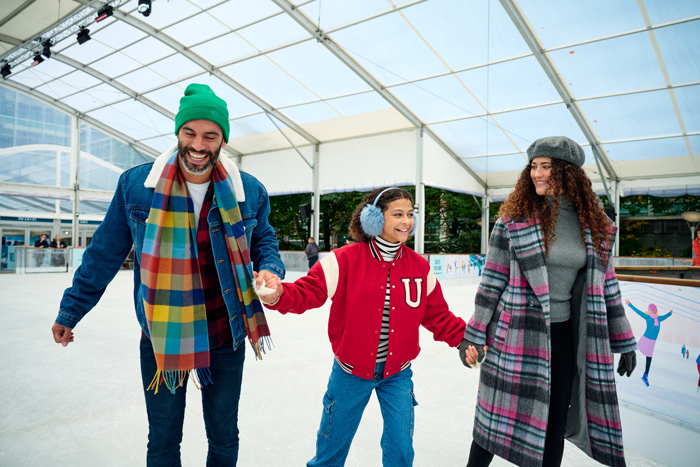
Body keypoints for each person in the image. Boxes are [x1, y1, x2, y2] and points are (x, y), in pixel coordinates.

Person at [50, 83, 285, 466]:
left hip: (226, 332)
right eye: (189, 133)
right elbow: (104, 253)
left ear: (223, 140)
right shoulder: (137, 187)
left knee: (224, 436)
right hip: (162, 333)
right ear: (177, 133)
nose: (198, 144)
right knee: (162, 439)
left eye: (210, 136)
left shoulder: (249, 191)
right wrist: (70, 311)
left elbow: (264, 239)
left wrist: (271, 270)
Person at [260, 186, 479, 467]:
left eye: (410, 215)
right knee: (330, 451)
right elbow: (306, 293)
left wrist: (464, 340)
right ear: (374, 219)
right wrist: (276, 294)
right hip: (350, 374)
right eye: (397, 214)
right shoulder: (344, 260)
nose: (406, 221)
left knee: (401, 451)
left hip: (397, 375)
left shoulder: (419, 267)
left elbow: (437, 315)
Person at [460, 136, 638, 467]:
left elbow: (606, 286)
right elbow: (492, 282)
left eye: (546, 167)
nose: (537, 174)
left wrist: (624, 339)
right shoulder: (513, 221)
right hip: (516, 335)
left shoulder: (597, 228)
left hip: (565, 335)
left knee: (554, 426)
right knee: (492, 423)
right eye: (533, 167)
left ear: (568, 172)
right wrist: (474, 333)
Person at [625, 300, 672, 387]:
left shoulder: (658, 318)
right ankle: (627, 361)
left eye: (656, 310)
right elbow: (638, 312)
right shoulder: (648, 317)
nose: (655, 311)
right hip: (646, 338)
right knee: (635, 349)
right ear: (650, 310)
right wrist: (630, 304)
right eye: (653, 310)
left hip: (652, 341)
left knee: (649, 357)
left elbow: (665, 317)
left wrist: (670, 313)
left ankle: (645, 375)